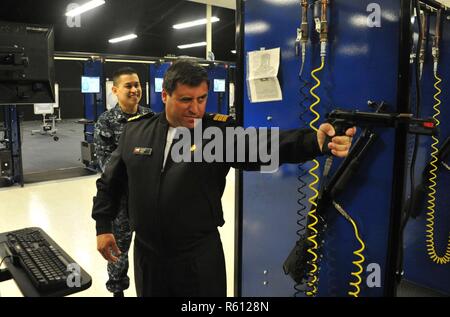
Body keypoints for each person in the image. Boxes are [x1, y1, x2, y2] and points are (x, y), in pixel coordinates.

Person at [92, 59, 355, 297]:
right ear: (165, 95)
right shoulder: (136, 131)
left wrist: (314, 142)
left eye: (201, 99)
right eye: (185, 100)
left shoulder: (213, 135)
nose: (195, 109)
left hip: (197, 258)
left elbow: (262, 144)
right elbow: (109, 183)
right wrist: (103, 227)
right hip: (148, 256)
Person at [93, 67, 151, 297]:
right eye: (129, 85)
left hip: (147, 197)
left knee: (151, 247)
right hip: (120, 202)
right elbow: (107, 167)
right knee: (119, 252)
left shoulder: (150, 118)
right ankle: (117, 290)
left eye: (137, 85)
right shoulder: (106, 122)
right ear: (115, 90)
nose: (135, 89)